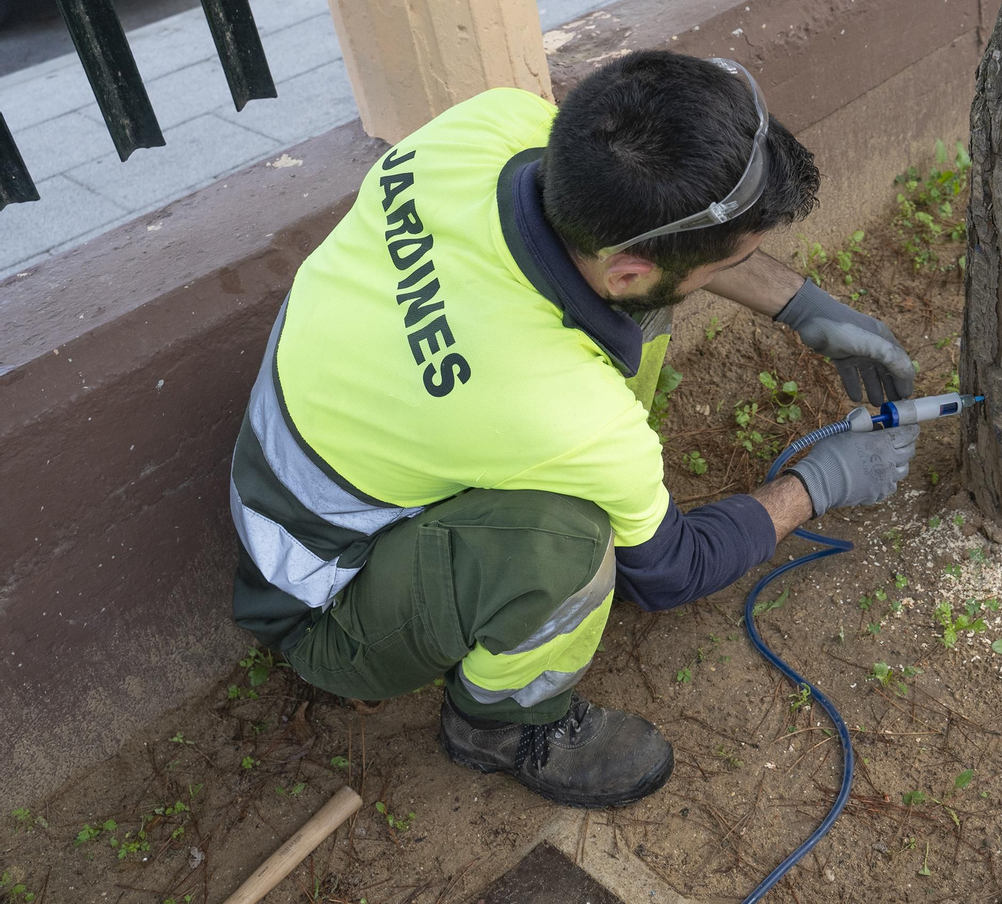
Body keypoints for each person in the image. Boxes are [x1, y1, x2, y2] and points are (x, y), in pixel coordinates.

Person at [228, 51, 921, 810]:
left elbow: (645, 252)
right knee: (566, 543)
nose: (751, 269)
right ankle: (498, 722)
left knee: (646, 313)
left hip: (322, 465)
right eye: (744, 258)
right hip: (321, 604)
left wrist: (805, 306)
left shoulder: (490, 128)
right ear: (625, 266)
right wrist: (818, 484)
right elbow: (672, 571)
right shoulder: (557, 408)